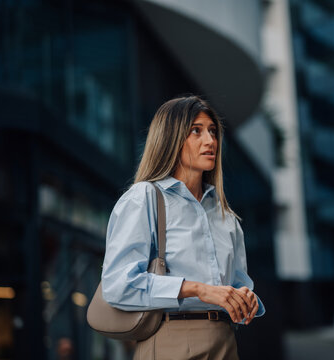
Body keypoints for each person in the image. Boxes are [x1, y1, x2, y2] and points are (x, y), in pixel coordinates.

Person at [101, 95, 264, 360]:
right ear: (170, 138)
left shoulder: (226, 216)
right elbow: (118, 286)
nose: (210, 141)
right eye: (196, 131)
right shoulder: (145, 198)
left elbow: (237, 284)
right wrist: (199, 289)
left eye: (212, 131)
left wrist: (246, 299)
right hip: (171, 341)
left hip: (225, 342)